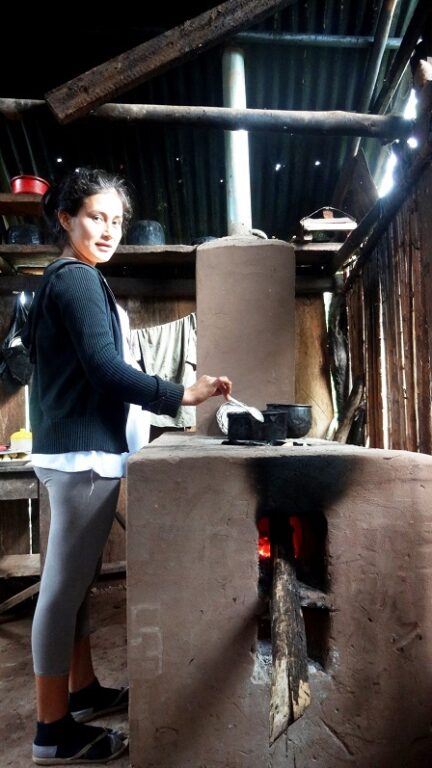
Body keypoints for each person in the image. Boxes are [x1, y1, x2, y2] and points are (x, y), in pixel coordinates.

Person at [22, 167, 232, 765]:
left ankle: (82, 691)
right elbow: (105, 370)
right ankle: (51, 732)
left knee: (75, 584)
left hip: (72, 450)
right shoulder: (77, 279)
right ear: (66, 219)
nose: (109, 230)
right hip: (83, 457)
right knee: (61, 591)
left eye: (117, 220)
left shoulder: (66, 279)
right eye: (96, 217)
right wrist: (181, 394)